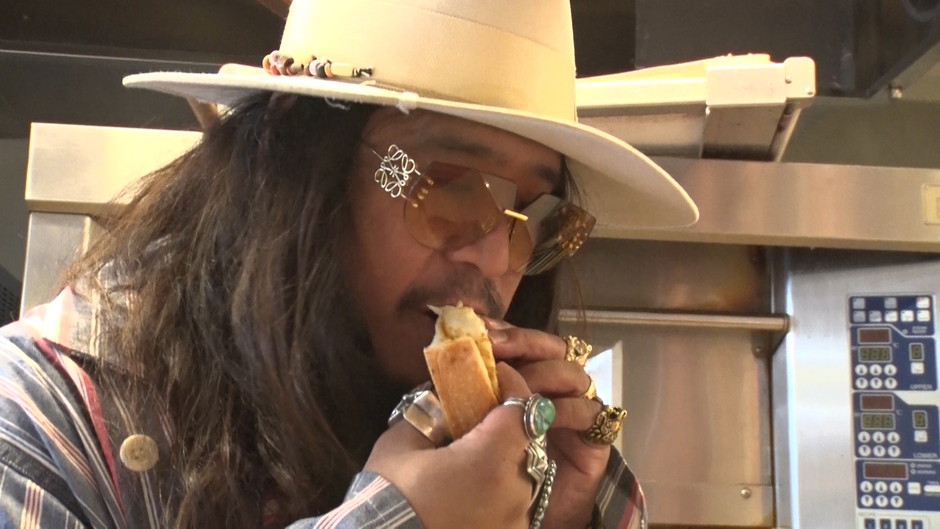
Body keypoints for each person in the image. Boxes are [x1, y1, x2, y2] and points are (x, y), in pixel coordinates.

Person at [0, 1, 698, 528]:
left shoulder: (507, 455)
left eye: (536, 218)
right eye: (452, 187)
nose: (494, 260)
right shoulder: (36, 423)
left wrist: (566, 516)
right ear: (295, 166)